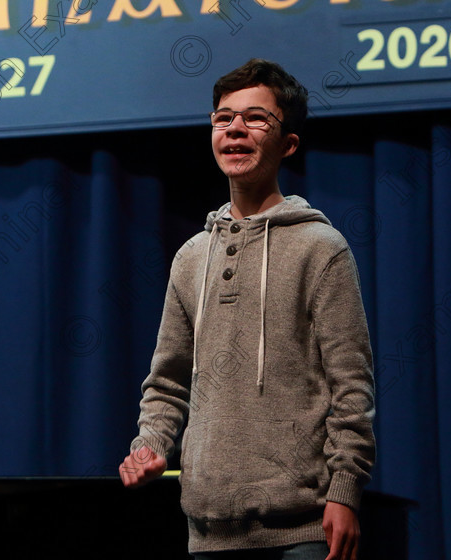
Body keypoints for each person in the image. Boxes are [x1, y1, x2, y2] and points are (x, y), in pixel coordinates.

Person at [119, 58, 376, 560]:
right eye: (223, 118)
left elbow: (352, 385)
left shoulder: (321, 248)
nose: (235, 128)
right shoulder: (192, 256)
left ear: (289, 144)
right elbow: (168, 381)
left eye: (256, 118)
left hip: (300, 530)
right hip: (207, 530)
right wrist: (150, 445)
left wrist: (346, 489)